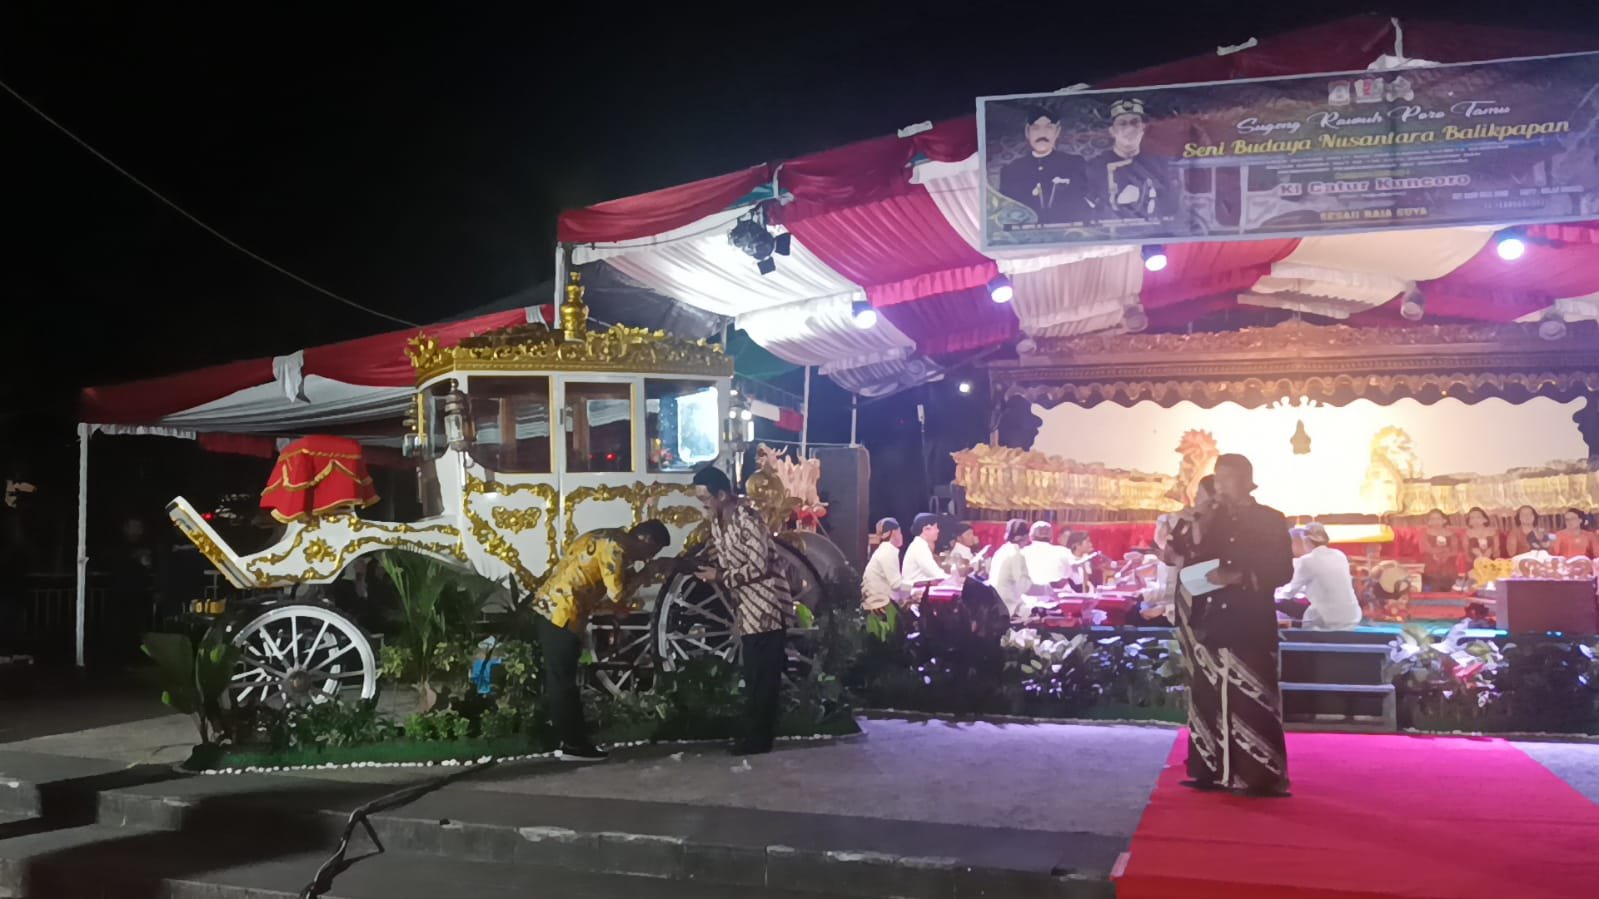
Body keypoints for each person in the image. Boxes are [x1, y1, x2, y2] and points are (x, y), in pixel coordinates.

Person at [1174, 455, 1295, 798]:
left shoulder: (1270, 520)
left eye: (1226, 478)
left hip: (1249, 620)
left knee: (1250, 698)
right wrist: (1199, 521)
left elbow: (1283, 571)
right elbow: (1189, 554)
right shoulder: (1214, 519)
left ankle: (1257, 775)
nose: (1220, 485)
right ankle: (1208, 770)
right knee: (1207, 694)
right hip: (1211, 618)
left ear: (1245, 480)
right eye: (1217, 478)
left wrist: (1240, 577)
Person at [530, 520, 672, 761]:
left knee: (562, 679)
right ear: (645, 539)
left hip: (554, 609)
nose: (648, 558)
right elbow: (618, 593)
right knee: (563, 682)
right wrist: (649, 572)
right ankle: (574, 745)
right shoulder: (615, 547)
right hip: (562, 614)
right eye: (652, 551)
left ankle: (571, 740)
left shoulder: (607, 533)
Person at [692, 466, 795, 756]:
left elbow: (759, 566)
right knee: (753, 676)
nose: (703, 504)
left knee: (763, 678)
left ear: (722, 494)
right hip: (745, 608)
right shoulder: (718, 520)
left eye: (706, 498)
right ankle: (753, 735)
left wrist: (721, 577)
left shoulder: (748, 518)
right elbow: (719, 554)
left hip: (766, 606)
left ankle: (759, 739)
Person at [1080, 98, 1172, 223]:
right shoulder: (1096, 166)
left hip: (1151, 231)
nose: (1129, 128)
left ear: (1143, 127)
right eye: (1122, 123)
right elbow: (1089, 207)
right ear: (1112, 131)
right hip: (1111, 233)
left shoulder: (1158, 163)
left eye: (1135, 122)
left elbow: (1169, 204)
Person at [997, 106, 1090, 224]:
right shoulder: (1011, 170)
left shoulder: (1074, 164)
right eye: (1035, 128)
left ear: (1057, 131)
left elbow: (1082, 203)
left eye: (1049, 127)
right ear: (1027, 132)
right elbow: (1007, 213)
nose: (1042, 134)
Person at [1280, 523, 1362, 631]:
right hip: (1352, 618)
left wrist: (1276, 594)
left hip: (1326, 620)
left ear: (1306, 541)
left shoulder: (1306, 560)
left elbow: (1290, 592)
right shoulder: (1340, 555)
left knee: (1279, 603)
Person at [988, 518, 1035, 618]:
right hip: (1009, 606)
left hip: (996, 603)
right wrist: (1046, 588)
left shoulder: (1002, 550)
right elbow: (1024, 587)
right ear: (1026, 537)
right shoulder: (1016, 555)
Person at [861, 517, 909, 611]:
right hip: (880, 607)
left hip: (877, 603)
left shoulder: (883, 550)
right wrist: (914, 587)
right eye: (900, 532)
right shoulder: (888, 551)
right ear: (894, 532)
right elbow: (896, 585)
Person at [900, 513, 949, 589]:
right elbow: (935, 573)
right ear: (926, 529)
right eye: (935, 527)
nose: (938, 531)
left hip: (919, 589)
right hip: (915, 592)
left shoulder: (920, 545)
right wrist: (954, 580)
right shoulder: (919, 547)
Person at [1420, 509, 1462, 592]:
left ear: (1444, 520)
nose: (1435, 521)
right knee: (1432, 573)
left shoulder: (1451, 534)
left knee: (1449, 572)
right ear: (1429, 522)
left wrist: (1446, 554)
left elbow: (1455, 551)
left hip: (1448, 565)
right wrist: (1438, 552)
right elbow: (1425, 548)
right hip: (1431, 564)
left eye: (1438, 519)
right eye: (1432, 519)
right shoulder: (1425, 533)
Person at [1021, 522, 1068, 589]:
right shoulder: (1063, 552)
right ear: (1051, 538)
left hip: (1026, 597)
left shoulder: (1021, 553)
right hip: (1055, 597)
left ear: (1030, 537)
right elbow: (1070, 577)